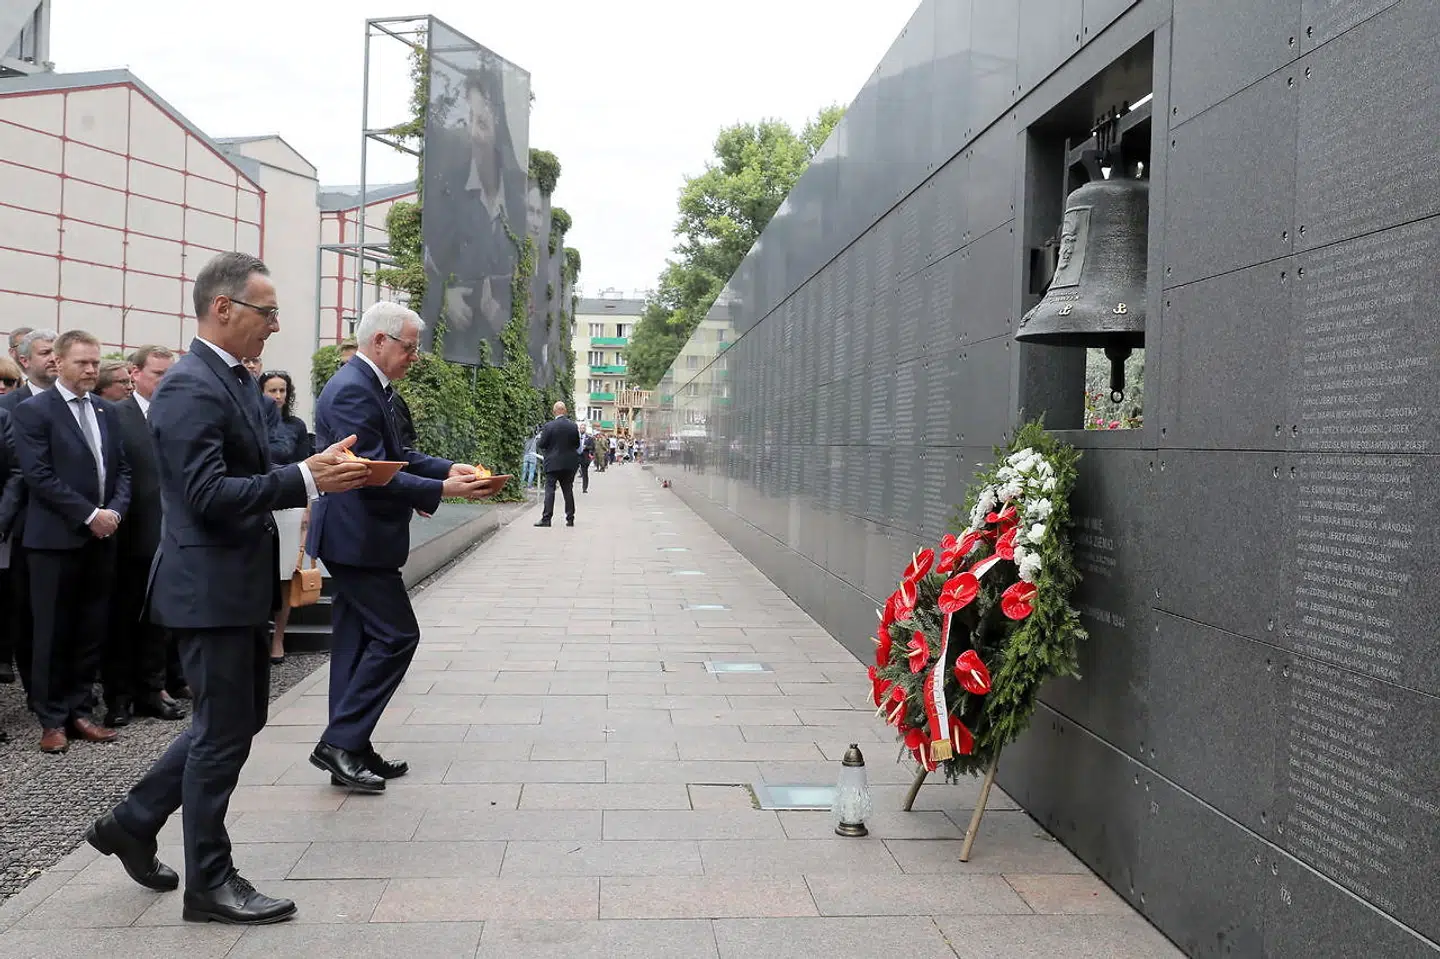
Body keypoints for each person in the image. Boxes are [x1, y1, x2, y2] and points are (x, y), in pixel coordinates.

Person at [86, 252, 369, 926]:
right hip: (207, 587)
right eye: (267, 312)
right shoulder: (190, 386)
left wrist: (311, 464)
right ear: (223, 308)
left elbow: (254, 467)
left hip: (235, 582)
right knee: (221, 734)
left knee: (238, 721)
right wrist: (306, 480)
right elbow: (206, 493)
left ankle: (133, 821)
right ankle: (209, 883)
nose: (275, 324)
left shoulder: (234, 379)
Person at [307, 301, 491, 792]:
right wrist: (442, 490)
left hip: (359, 536)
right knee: (396, 636)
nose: (415, 356)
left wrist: (445, 469)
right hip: (357, 536)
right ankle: (339, 742)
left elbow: (398, 455)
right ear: (379, 341)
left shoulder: (372, 385)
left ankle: (351, 746)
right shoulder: (354, 389)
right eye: (409, 347)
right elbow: (369, 472)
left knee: (355, 643)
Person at [11, 329, 131, 753]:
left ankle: (81, 711)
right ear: (59, 363)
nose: (91, 370)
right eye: (82, 362)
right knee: (51, 632)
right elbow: (38, 475)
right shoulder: (34, 411)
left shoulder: (105, 410)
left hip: (102, 539)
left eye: (95, 362)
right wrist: (89, 515)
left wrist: (114, 512)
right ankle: (52, 719)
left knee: (90, 629)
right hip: (54, 541)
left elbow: (122, 470)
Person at [104, 346, 184, 727]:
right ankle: (119, 696)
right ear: (135, 374)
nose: (165, 381)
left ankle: (154, 687)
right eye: (158, 374)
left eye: (170, 374)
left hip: (169, 532)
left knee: (158, 618)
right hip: (128, 533)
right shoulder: (115, 415)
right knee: (122, 618)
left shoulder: (177, 414)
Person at [0, 329, 57, 701]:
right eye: (46, 352)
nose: (54, 358)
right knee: (24, 615)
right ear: (24, 360)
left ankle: (57, 694)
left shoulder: (80, 404)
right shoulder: (11, 407)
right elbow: (15, 471)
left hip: (68, 525)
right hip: (21, 528)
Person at [259, 370, 312, 665]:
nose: (278, 396)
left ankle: (278, 638)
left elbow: (307, 468)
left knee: (286, 576)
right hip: (258, 504)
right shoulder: (252, 423)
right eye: (272, 390)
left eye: (282, 390)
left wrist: (309, 508)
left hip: (290, 507)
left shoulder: (296, 426)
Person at [535, 402, 580, 528]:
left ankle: (546, 519)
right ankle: (570, 519)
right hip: (569, 464)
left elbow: (542, 444)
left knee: (550, 490)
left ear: (554, 412)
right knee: (568, 490)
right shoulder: (573, 426)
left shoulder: (549, 426)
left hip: (552, 463)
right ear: (565, 411)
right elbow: (577, 444)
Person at [578, 424, 594, 493]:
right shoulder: (576, 437)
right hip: (576, 456)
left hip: (585, 457)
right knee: (572, 472)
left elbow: (592, 447)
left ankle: (584, 488)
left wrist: (586, 447)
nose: (582, 429)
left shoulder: (589, 438)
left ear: (585, 429)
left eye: (583, 428)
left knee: (585, 473)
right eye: (581, 428)